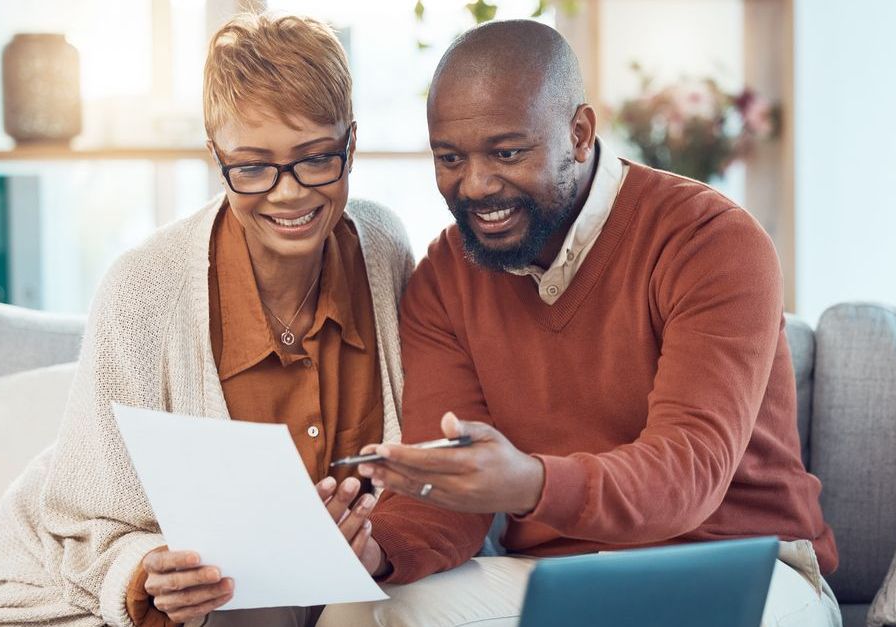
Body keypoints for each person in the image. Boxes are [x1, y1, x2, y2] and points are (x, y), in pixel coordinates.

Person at [319, 19, 842, 627]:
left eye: (508, 152)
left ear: (579, 133)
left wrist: (529, 484)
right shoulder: (444, 275)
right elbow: (445, 504)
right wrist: (377, 551)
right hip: (552, 574)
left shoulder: (711, 240)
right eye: (450, 158)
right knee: (359, 610)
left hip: (740, 564)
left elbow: (688, 471)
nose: (477, 185)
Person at [0, 13, 411, 627]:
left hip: (337, 582)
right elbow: (90, 514)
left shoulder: (383, 251)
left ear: (350, 143)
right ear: (215, 155)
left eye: (316, 159)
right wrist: (149, 570)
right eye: (251, 167)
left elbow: (420, 471)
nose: (288, 193)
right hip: (198, 598)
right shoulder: (143, 287)